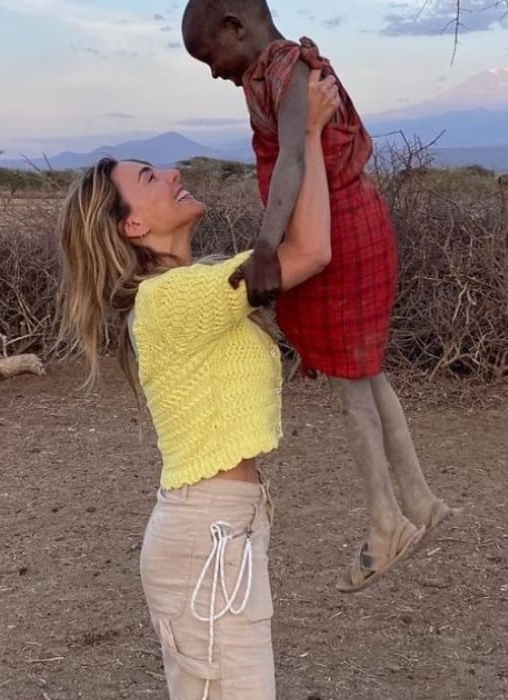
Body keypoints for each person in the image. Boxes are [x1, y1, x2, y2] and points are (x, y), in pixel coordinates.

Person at [57, 69, 339, 700]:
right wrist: (310, 133)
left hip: (223, 530)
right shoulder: (175, 300)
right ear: (132, 227)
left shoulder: (198, 287)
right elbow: (311, 249)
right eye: (150, 179)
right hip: (207, 538)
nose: (173, 174)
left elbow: (291, 247)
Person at [181, 0, 458, 593]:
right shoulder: (274, 73)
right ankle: (420, 500)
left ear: (235, 26)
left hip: (338, 238)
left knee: (353, 386)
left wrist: (265, 248)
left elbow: (294, 165)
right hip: (346, 226)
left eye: (210, 55)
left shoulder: (289, 74)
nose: (211, 71)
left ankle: (387, 521)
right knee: (365, 375)